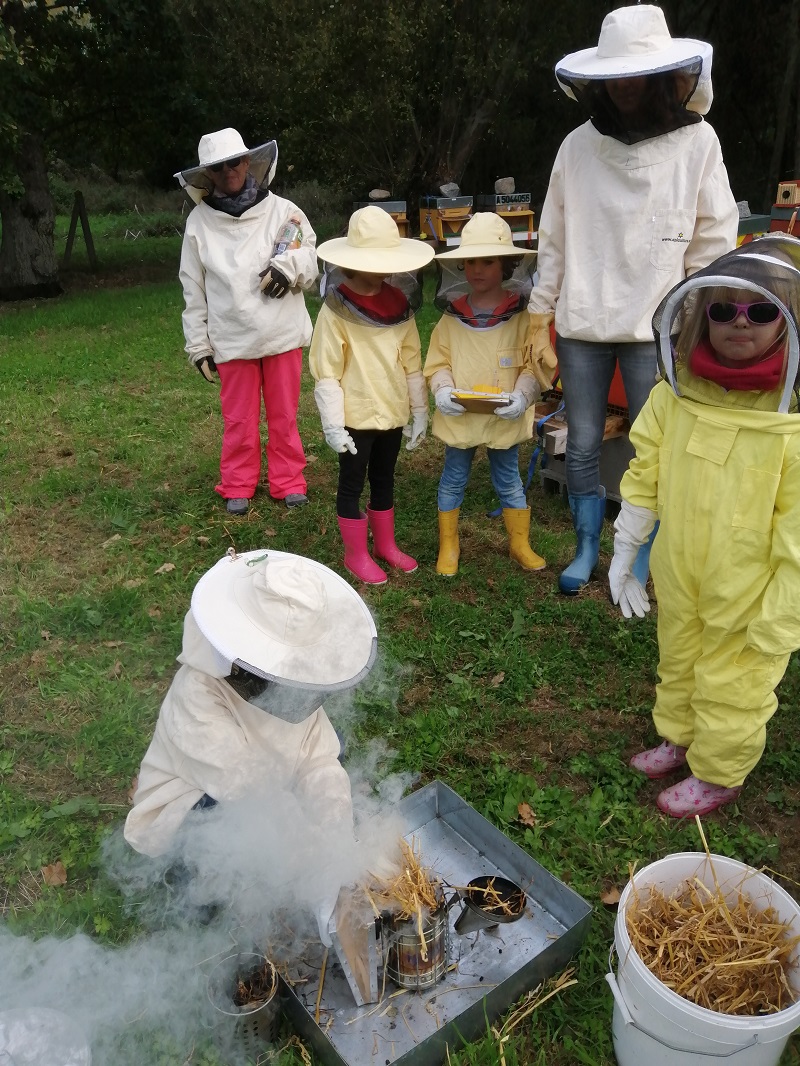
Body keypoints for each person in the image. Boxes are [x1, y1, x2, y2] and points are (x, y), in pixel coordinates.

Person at [526, 5, 739, 595]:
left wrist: (694, 316)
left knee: (655, 444)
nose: (621, 85)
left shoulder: (699, 143)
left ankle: (642, 550)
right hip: (583, 325)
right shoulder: (576, 147)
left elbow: (713, 236)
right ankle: (588, 547)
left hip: (658, 328)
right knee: (586, 442)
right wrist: (540, 310)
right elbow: (555, 234)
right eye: (611, 74)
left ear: (662, 76)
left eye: (632, 73)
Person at [609, 235, 800, 816]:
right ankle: (680, 736)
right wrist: (626, 547)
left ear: (786, 321)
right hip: (681, 569)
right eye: (722, 309)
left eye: (760, 310)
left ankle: (719, 773)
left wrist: (784, 616)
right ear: (700, 315)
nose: (739, 323)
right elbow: (646, 471)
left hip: (750, 589)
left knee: (734, 682)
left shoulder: (790, 423)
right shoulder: (676, 396)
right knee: (680, 654)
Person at [124, 548, 377, 932]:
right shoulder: (197, 697)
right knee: (214, 823)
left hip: (267, 783)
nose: (293, 691)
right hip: (202, 799)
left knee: (334, 748)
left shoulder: (293, 690)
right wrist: (314, 862)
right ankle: (193, 891)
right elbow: (252, 797)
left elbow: (318, 760)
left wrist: (337, 845)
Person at [175, 128, 319, 516]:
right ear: (208, 174)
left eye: (234, 162)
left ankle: (289, 480)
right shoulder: (199, 223)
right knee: (238, 418)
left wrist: (288, 269)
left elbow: (309, 255)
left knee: (285, 414)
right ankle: (238, 482)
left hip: (281, 333)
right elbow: (193, 289)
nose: (229, 171)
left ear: (248, 161)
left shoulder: (283, 210)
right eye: (218, 167)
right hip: (231, 338)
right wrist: (199, 346)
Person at [309, 205, 434, 585]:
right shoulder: (335, 310)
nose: (382, 267)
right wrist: (332, 424)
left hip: (392, 411)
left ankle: (384, 545)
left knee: (384, 479)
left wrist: (419, 410)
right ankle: (355, 554)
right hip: (355, 416)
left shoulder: (400, 304)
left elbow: (412, 360)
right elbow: (327, 368)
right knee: (352, 482)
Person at [424, 212, 545, 575]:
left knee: (508, 479)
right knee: (454, 477)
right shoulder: (451, 318)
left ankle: (519, 543)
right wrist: (443, 389)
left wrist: (523, 396)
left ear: (507, 264)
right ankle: (449, 545)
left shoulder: (524, 317)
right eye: (471, 261)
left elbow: (533, 365)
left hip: (503, 419)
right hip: (461, 419)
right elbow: (438, 362)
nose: (477, 269)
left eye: (488, 261)